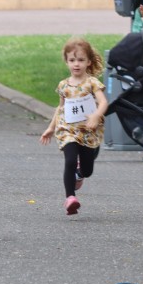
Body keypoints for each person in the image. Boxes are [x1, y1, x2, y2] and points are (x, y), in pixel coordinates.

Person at [39, 37, 109, 216]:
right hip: (68, 129)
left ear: (88, 62)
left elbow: (103, 103)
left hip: (88, 130)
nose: (76, 64)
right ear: (67, 62)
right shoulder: (63, 85)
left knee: (88, 170)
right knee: (69, 160)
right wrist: (51, 128)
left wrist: (96, 115)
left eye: (81, 60)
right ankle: (70, 198)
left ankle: (80, 173)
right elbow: (60, 108)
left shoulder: (92, 83)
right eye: (72, 60)